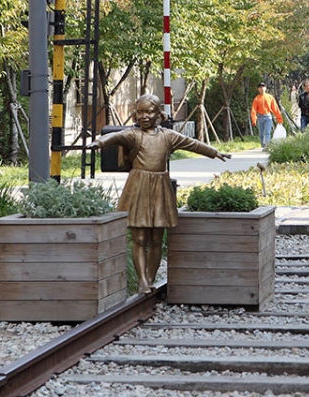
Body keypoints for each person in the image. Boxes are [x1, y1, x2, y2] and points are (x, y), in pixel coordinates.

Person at [87, 94, 231, 294]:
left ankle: (151, 277)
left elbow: (192, 143)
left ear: (158, 113)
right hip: (138, 187)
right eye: (140, 112)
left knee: (156, 238)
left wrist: (214, 152)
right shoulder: (134, 135)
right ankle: (142, 280)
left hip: (160, 188)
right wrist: (99, 142)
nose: (144, 116)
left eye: (149, 111)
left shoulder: (167, 136)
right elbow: (115, 136)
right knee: (138, 238)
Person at [250, 82, 283, 148]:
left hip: (268, 117)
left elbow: (275, 108)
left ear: (265, 88)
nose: (262, 88)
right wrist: (254, 119)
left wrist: (279, 119)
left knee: (267, 132)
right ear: (258, 89)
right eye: (260, 87)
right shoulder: (256, 99)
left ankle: (267, 146)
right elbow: (253, 110)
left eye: (263, 87)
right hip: (260, 117)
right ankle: (263, 145)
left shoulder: (270, 97)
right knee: (261, 133)